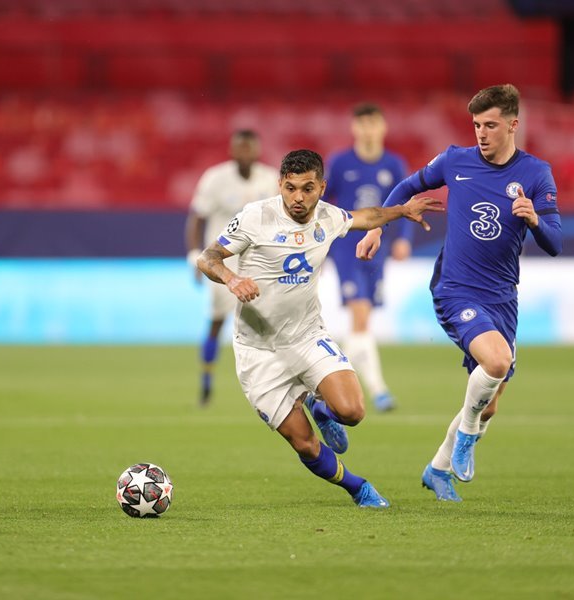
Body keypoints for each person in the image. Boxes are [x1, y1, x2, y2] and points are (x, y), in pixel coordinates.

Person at [197, 149, 442, 508]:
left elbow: (366, 216)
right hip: (258, 350)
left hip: (307, 336)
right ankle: (358, 487)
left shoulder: (328, 217)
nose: (298, 197)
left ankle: (321, 407)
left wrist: (402, 211)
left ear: (322, 188)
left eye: (307, 189)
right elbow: (208, 257)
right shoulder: (255, 217)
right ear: (280, 184)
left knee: (353, 412)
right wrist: (232, 279)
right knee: (305, 443)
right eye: (290, 188)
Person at [357, 84, 563, 502]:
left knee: (490, 402)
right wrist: (378, 227)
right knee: (497, 361)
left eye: (490, 125)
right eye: (476, 125)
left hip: (502, 297)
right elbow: (405, 188)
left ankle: (437, 469)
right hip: (455, 288)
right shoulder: (455, 160)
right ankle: (466, 438)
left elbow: (555, 242)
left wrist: (535, 221)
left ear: (513, 125)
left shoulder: (536, 173)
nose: (481, 133)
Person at [325, 102, 411, 412]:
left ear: (382, 127)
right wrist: (320, 243)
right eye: (362, 124)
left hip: (378, 251)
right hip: (347, 250)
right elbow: (323, 203)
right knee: (360, 315)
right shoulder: (339, 163)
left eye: (373, 123)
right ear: (354, 128)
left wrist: (403, 238)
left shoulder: (394, 165)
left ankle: (328, 387)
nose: (368, 130)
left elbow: (405, 204)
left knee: (362, 322)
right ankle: (378, 390)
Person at [185, 130, 280, 407]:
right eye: (241, 148)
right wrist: (195, 256)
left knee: (268, 325)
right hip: (223, 264)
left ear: (257, 150)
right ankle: (206, 378)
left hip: (259, 263)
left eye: (250, 148)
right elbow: (197, 218)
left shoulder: (270, 179)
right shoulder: (215, 179)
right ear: (233, 150)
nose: (245, 153)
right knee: (218, 322)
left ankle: (274, 383)